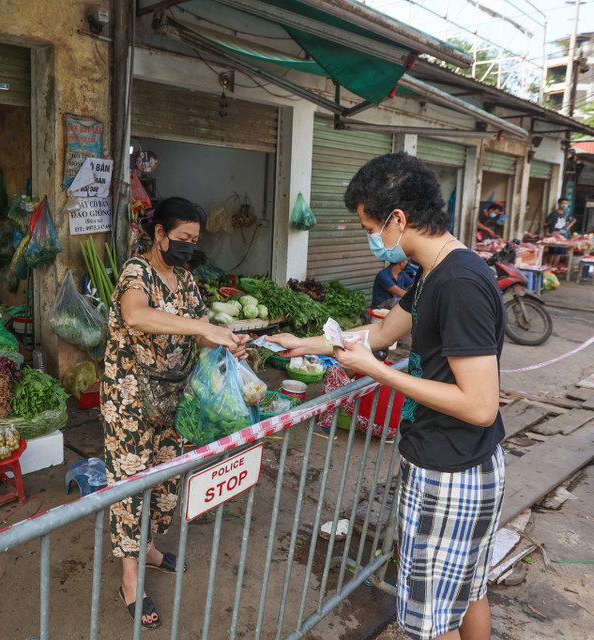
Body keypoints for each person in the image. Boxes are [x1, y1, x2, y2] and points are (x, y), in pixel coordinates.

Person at [268, 152, 506, 640]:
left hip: (451, 470)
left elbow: (481, 405)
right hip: (455, 460)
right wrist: (307, 343)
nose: (370, 240)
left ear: (398, 219)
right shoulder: (433, 271)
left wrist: (378, 374)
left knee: (432, 615)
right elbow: (378, 336)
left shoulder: (459, 283)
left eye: (368, 227)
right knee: (468, 590)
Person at [100, 196, 249, 629]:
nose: (188, 246)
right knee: (131, 482)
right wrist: (202, 326)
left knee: (165, 477)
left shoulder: (185, 279)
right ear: (160, 234)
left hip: (172, 398)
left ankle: (146, 547)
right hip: (130, 399)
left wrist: (222, 338)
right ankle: (130, 578)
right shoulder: (136, 272)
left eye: (194, 240)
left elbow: (200, 333)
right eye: (182, 238)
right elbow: (136, 314)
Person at [544, 198, 575, 268]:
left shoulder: (566, 214)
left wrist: (567, 228)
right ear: (559, 204)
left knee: (559, 253)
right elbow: (546, 223)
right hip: (554, 237)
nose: (565, 205)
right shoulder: (554, 214)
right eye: (563, 203)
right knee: (553, 253)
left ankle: (554, 267)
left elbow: (574, 220)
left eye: (566, 204)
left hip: (562, 237)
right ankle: (549, 267)